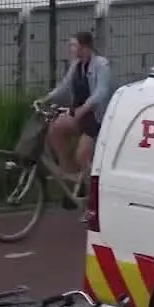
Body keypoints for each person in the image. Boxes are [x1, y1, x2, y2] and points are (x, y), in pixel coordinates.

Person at [43, 30, 112, 195]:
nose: (71, 49)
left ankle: (91, 197)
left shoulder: (102, 65)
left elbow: (101, 92)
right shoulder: (76, 65)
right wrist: (46, 98)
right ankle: (70, 174)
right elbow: (64, 86)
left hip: (96, 116)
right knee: (56, 129)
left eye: (74, 45)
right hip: (79, 112)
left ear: (85, 47)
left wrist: (84, 109)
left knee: (83, 156)